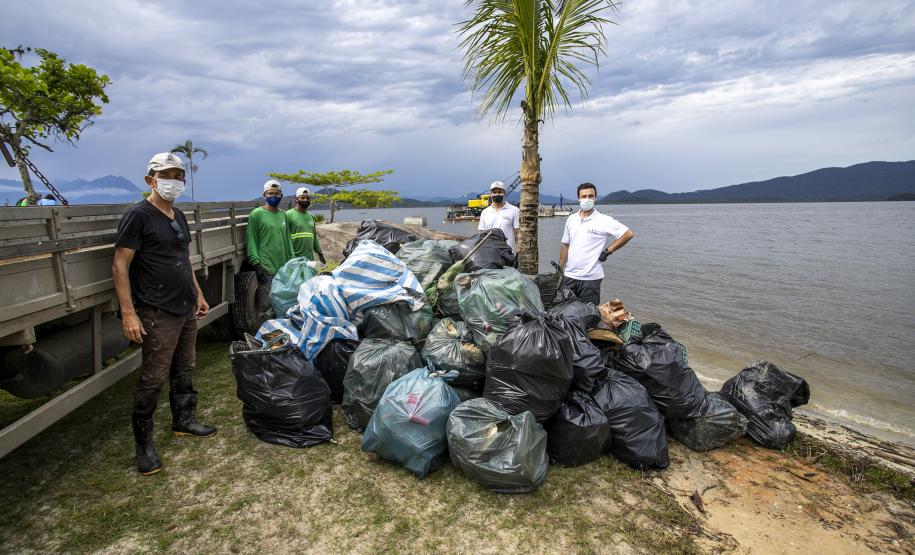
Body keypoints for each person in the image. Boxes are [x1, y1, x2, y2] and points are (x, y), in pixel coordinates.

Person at [112, 152, 216, 476]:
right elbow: (120, 265)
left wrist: (198, 294)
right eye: (167, 174)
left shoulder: (178, 216)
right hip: (157, 311)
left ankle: (184, 420)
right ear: (150, 180)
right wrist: (129, 314)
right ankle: (144, 445)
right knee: (153, 377)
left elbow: (184, 259)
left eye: (178, 175)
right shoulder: (138, 216)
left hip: (185, 307)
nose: (174, 180)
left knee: (185, 367)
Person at [558, 182, 634, 305]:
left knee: (588, 317)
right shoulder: (571, 219)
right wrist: (559, 269)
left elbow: (628, 234)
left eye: (590, 196)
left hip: (591, 279)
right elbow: (565, 244)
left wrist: (608, 251)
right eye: (584, 196)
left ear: (595, 198)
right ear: (578, 198)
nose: (587, 199)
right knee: (564, 312)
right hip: (569, 276)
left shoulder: (604, 220)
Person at [246, 180, 295, 321]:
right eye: (270, 193)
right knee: (266, 308)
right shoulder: (256, 214)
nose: (274, 196)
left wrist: (292, 261)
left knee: (283, 304)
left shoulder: (283, 215)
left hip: (283, 269)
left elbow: (288, 240)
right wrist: (256, 264)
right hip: (267, 268)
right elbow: (252, 241)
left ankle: (281, 337)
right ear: (264, 195)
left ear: (281, 195)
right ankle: (266, 339)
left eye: (277, 193)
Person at [477, 180, 521, 252]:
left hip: (508, 254)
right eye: (494, 192)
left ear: (504, 193)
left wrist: (518, 251)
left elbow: (517, 233)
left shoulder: (514, 210)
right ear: (491, 194)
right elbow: (481, 234)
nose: (497, 194)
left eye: (500, 192)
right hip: (490, 254)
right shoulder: (485, 212)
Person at [285, 187, 326, 264]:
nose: (305, 200)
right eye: (302, 198)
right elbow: (284, 238)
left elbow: (314, 237)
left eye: (307, 198)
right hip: (294, 260)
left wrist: (320, 253)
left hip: (309, 259)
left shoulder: (310, 217)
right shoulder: (288, 215)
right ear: (296, 199)